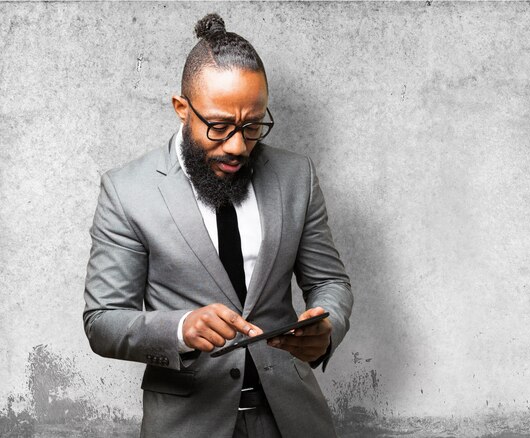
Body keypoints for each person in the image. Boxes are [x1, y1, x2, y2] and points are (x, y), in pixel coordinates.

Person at [83, 12, 353, 438]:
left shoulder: (296, 175)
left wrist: (328, 326)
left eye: (252, 126)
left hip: (292, 419)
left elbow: (330, 281)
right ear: (181, 109)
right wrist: (180, 328)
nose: (237, 146)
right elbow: (102, 321)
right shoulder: (126, 191)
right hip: (188, 424)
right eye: (219, 126)